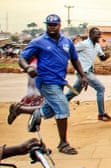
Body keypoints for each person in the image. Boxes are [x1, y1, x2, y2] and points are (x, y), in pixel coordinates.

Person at [8, 14, 88, 155]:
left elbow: (75, 60)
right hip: (45, 81)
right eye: (49, 25)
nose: (52, 27)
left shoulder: (67, 42)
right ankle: (63, 144)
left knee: (48, 111)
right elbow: (22, 58)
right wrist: (28, 68)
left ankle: (19, 109)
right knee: (62, 107)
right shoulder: (39, 42)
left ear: (59, 25)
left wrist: (83, 75)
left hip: (59, 82)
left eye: (54, 25)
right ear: (46, 26)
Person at [65, 27, 111, 122]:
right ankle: (101, 114)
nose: (99, 37)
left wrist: (107, 55)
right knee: (101, 88)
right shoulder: (83, 44)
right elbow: (71, 52)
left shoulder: (97, 46)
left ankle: (56, 106)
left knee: (74, 92)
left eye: (100, 35)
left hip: (88, 72)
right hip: (83, 72)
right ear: (91, 35)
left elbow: (102, 58)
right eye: (97, 35)